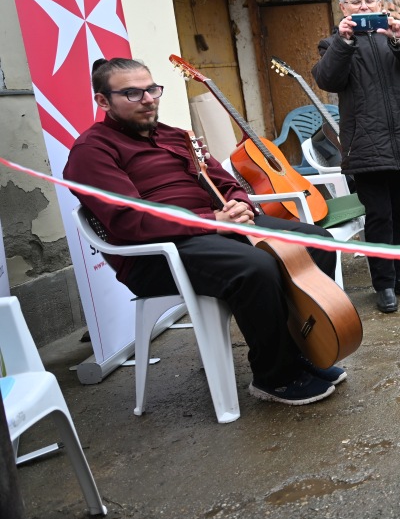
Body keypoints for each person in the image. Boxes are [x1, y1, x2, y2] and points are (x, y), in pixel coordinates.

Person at [63, 58, 346, 406]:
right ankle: (275, 376)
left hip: (215, 227)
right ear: (103, 101)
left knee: (315, 241)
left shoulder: (176, 135)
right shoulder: (92, 151)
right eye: (132, 93)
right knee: (256, 266)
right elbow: (130, 220)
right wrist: (211, 218)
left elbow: (225, 181)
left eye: (152, 89)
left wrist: (240, 204)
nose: (149, 99)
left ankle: (301, 348)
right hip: (156, 252)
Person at [313, 0, 400, 314]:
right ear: (343, 8)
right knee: (378, 217)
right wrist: (344, 43)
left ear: (381, 4)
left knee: (399, 212)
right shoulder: (333, 44)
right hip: (365, 144)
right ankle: (384, 285)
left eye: (369, 1)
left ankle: (399, 274)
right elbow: (327, 79)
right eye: (356, 2)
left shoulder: (397, 35)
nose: (364, 7)